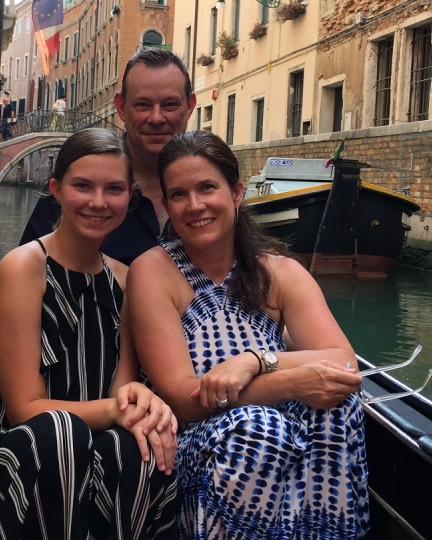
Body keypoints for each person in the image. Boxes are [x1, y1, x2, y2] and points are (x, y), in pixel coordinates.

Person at [0, 48, 196, 539]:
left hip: (137, 396)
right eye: (143, 104)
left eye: (113, 191)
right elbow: (12, 334)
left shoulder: (133, 268)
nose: (98, 203)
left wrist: (140, 407)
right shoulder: (32, 260)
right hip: (37, 437)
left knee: (132, 446)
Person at [128, 130, 370, 539]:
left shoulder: (282, 272)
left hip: (284, 451)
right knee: (258, 429)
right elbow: (184, 400)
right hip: (194, 455)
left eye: (207, 188)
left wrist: (254, 361)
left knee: (338, 405)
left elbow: (345, 363)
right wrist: (292, 381)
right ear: (167, 204)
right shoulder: (153, 271)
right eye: (180, 195)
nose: (195, 205)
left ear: (237, 193)